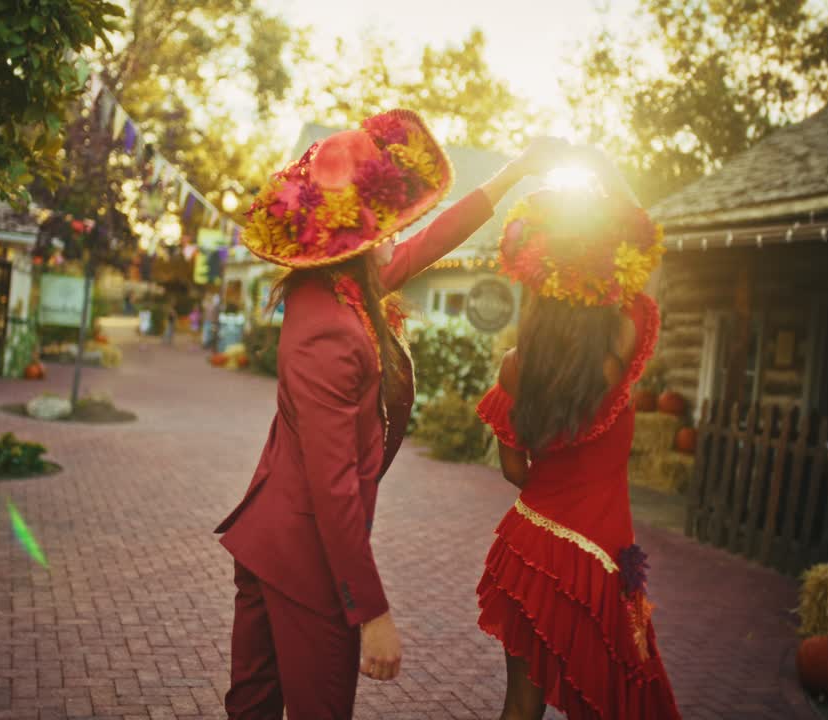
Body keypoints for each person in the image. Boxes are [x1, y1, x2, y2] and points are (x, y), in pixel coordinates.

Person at [215, 108, 569, 719]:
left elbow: (433, 241)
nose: (394, 234)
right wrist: (371, 613)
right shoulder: (330, 330)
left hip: (269, 541)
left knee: (252, 709)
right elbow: (333, 488)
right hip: (304, 560)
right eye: (383, 224)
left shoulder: (339, 287)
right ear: (356, 237)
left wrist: (512, 173)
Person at [474, 150, 682, 720]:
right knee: (606, 702)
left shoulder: (517, 366)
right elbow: (648, 249)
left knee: (521, 704)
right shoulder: (624, 345)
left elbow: (515, 472)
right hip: (597, 557)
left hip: (529, 547)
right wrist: (603, 167)